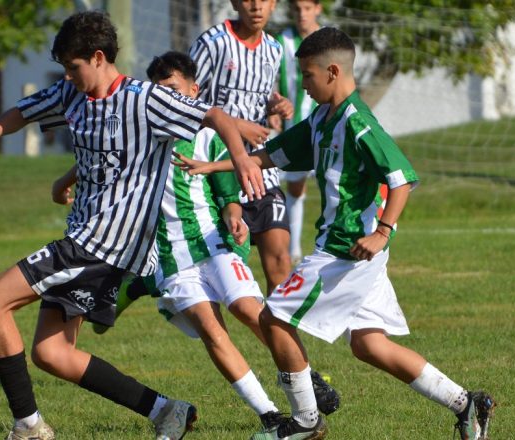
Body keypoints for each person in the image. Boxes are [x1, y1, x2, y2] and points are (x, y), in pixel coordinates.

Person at [175, 27, 496, 440]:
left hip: (346, 250)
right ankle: (468, 403)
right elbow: (271, 153)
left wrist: (383, 231)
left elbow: (401, 179)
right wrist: (217, 166)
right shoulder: (323, 119)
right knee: (369, 345)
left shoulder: (359, 123)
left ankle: (306, 422)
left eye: (307, 76)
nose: (303, 86)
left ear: (331, 72)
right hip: (356, 252)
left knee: (273, 318)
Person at [0, 11, 264, 440]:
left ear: (99, 57)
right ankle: (166, 411)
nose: (67, 76)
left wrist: (238, 157)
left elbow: (215, 116)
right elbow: (24, 112)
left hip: (102, 246)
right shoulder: (73, 95)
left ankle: (28, 426)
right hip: (85, 239)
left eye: (73, 67)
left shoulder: (146, 99)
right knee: (52, 353)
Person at [189, 0, 295, 295]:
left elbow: (263, 94)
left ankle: (279, 334)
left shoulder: (273, 49)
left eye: (264, 0)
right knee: (210, 270)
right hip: (215, 171)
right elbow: (183, 102)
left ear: (273, 3)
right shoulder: (212, 43)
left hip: (259, 167)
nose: (256, 6)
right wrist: (237, 125)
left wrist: (276, 105)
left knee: (280, 260)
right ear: (235, 2)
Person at [273, 0, 323, 263]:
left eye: (307, 8)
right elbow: (270, 78)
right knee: (293, 187)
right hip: (293, 127)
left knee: (331, 183)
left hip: (324, 123)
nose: (302, 15)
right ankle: (292, 249)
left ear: (318, 8)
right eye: (297, 9)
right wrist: (273, 107)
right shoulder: (283, 40)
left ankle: (328, 244)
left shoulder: (327, 40)